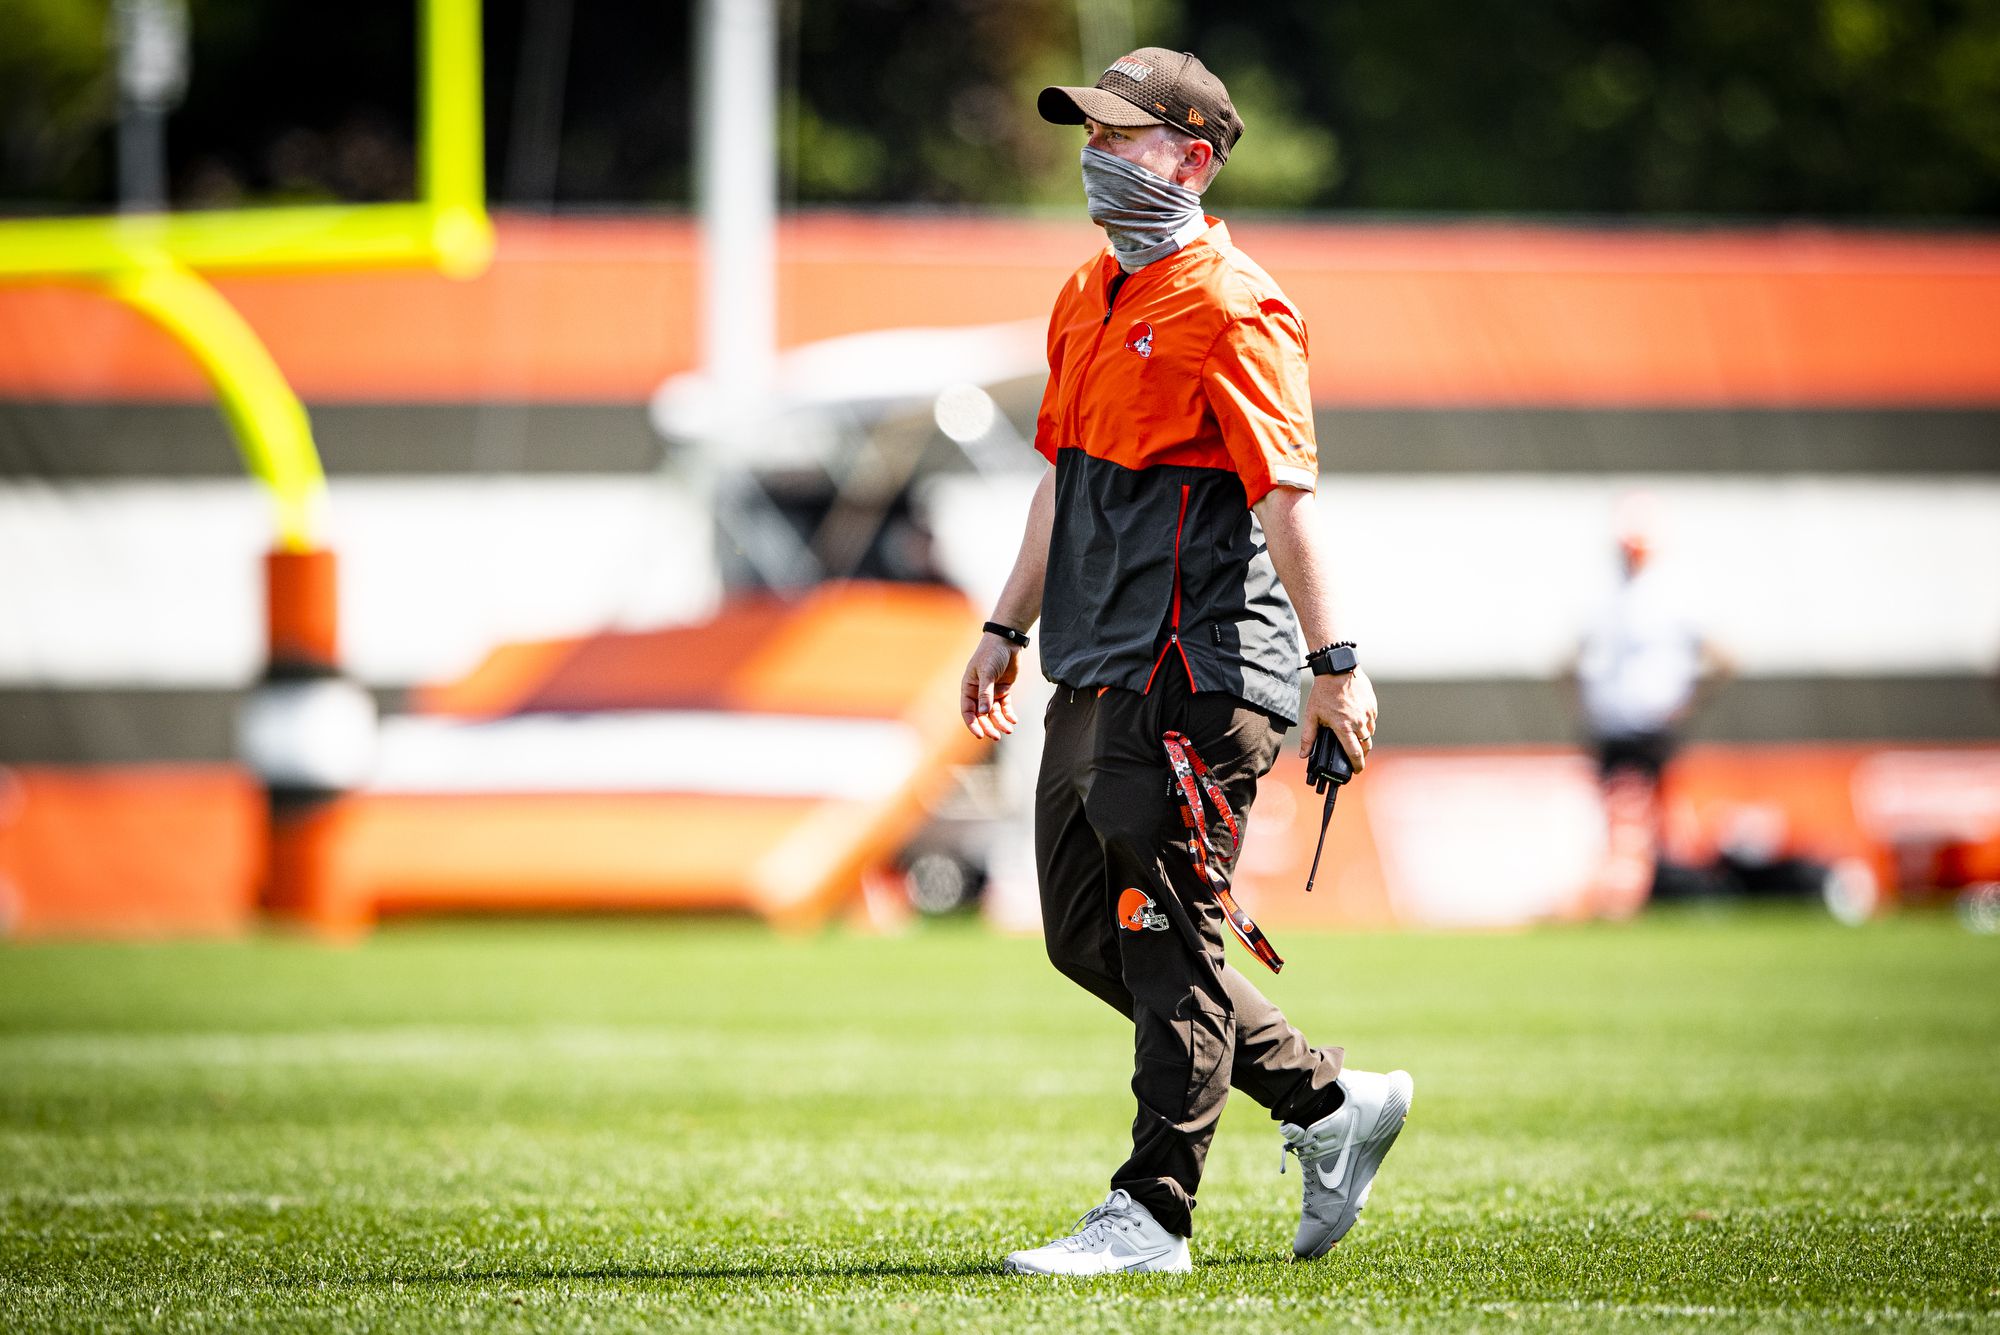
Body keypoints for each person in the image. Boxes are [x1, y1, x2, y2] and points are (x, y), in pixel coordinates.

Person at [957, 48, 1412, 1276]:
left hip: (1198, 670)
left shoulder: (1236, 302)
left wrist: (1335, 666)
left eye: (1120, 137)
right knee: (1083, 935)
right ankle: (1328, 1105)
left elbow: (1287, 497)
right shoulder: (1082, 292)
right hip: (1091, 662)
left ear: (1192, 158)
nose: (1095, 157)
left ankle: (1151, 1214)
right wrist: (1004, 626)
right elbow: (1061, 480)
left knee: (1166, 931)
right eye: (1088, 135)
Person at [1565, 506, 1733, 915]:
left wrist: (1685, 702)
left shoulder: (1670, 599)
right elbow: (1570, 661)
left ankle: (1660, 889)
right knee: (1615, 819)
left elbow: (1723, 657)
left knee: (1655, 818)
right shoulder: (1607, 599)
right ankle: (1619, 896)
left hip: (1651, 726)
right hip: (1612, 725)